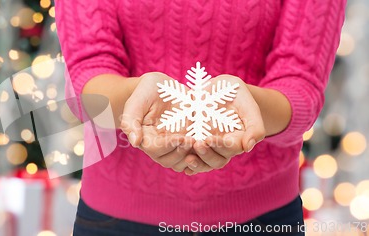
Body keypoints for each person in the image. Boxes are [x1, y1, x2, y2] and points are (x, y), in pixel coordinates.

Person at [55, 0, 346, 235]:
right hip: (114, 218)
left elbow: (301, 85)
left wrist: (248, 107)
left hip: (262, 217)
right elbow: (88, 73)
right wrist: (133, 101)